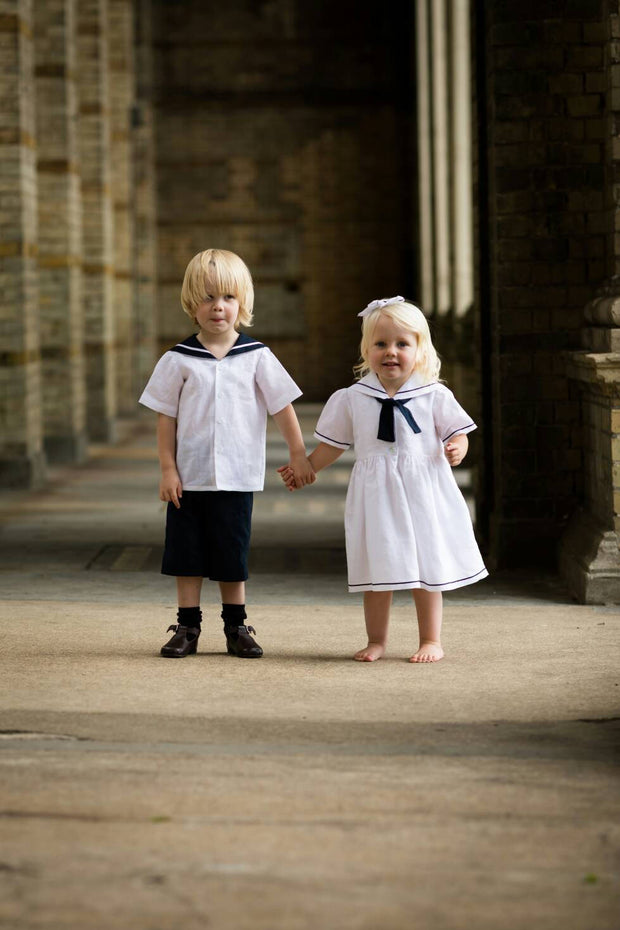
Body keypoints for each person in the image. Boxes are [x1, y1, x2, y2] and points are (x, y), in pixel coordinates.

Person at [279, 296, 487, 664]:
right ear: (366, 349)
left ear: (420, 350)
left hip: (424, 492)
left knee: (426, 567)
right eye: (381, 344)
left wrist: (458, 447)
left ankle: (430, 639)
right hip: (377, 496)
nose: (391, 352)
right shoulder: (353, 398)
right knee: (378, 568)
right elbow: (333, 446)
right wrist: (306, 468)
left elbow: (460, 433)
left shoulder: (434, 395)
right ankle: (377, 640)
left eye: (402, 344)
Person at [140, 248, 315, 659]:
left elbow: (282, 407)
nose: (218, 307)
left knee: (231, 551)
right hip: (190, 476)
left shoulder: (256, 357)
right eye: (207, 298)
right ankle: (187, 627)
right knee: (187, 554)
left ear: (242, 302)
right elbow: (166, 418)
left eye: (228, 298)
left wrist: (299, 454)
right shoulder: (178, 359)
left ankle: (237, 626)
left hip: (237, 476)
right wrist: (168, 469)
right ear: (191, 304)